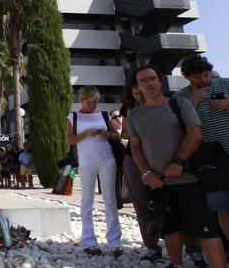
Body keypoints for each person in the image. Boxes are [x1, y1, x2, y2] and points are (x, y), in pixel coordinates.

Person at [129, 65, 226, 268]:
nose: (150, 83)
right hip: (157, 183)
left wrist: (178, 162)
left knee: (205, 230)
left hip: (188, 179)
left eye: (153, 78)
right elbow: (136, 147)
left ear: (159, 80)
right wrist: (146, 173)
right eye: (144, 81)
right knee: (170, 230)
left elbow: (195, 134)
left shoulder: (179, 103)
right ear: (137, 87)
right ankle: (176, 264)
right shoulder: (135, 115)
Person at [174, 55, 229, 245]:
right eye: (198, 77)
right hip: (211, 161)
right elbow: (179, 130)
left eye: (206, 75)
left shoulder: (226, 84)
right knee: (223, 208)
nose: (204, 80)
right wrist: (192, 103)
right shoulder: (180, 98)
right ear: (187, 77)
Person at [66, 86, 122, 257]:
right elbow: (69, 139)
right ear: (82, 100)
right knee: (86, 200)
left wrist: (107, 135)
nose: (92, 105)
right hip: (86, 161)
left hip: (107, 159)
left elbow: (117, 136)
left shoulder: (104, 115)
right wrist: (86, 134)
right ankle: (89, 240)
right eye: (89, 101)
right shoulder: (73, 116)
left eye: (95, 101)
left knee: (110, 199)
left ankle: (115, 242)